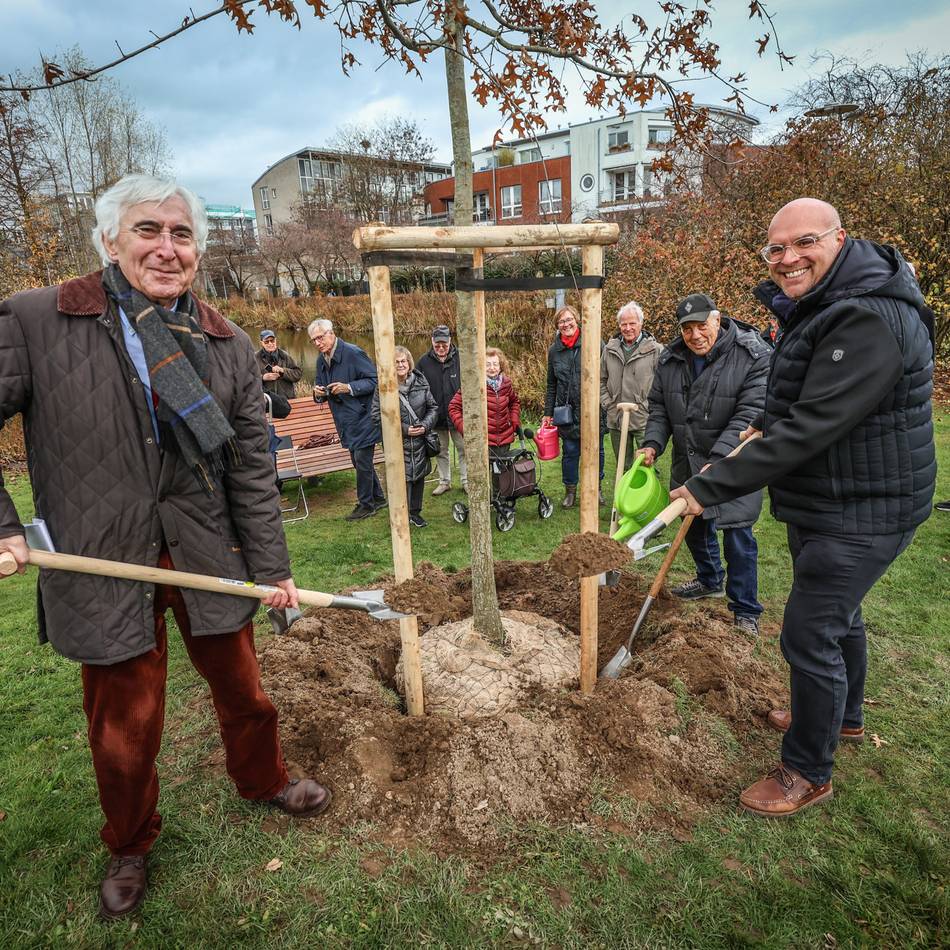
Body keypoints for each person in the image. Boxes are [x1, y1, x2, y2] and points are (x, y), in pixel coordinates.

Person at [0, 174, 330, 920]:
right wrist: (5, 525)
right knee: (124, 722)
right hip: (102, 551)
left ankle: (261, 779)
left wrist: (272, 570)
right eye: (148, 230)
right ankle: (130, 839)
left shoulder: (227, 343)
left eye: (182, 235)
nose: (166, 248)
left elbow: (251, 469)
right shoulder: (37, 321)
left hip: (206, 551)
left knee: (244, 688)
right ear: (110, 241)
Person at [670, 198, 935, 818]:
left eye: (804, 243)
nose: (788, 258)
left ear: (840, 238)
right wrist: (752, 432)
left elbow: (813, 424)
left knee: (809, 631)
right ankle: (842, 715)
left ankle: (807, 771)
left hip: (869, 503)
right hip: (834, 495)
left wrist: (709, 488)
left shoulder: (868, 318)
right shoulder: (823, 305)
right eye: (775, 249)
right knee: (840, 617)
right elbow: (796, 396)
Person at [639, 293, 770, 637]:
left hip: (734, 461)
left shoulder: (751, 355)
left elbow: (748, 414)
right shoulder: (670, 359)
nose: (695, 335)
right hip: (689, 458)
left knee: (737, 533)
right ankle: (710, 579)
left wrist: (718, 462)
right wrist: (652, 443)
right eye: (687, 329)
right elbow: (659, 408)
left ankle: (745, 609)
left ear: (717, 319)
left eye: (701, 326)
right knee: (694, 523)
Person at [310, 318, 385, 520]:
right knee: (358, 461)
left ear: (331, 333)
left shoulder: (353, 352)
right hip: (344, 420)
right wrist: (318, 393)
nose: (317, 343)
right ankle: (378, 497)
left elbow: (375, 380)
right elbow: (320, 386)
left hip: (364, 417)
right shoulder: (321, 360)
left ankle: (365, 505)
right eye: (314, 340)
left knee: (361, 460)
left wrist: (349, 388)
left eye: (320, 337)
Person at [542, 305, 606, 507]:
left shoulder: (593, 342)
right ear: (557, 326)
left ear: (577, 320)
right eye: (562, 321)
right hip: (566, 411)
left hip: (593, 407)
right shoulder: (554, 351)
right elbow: (551, 383)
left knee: (598, 451)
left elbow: (606, 374)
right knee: (570, 452)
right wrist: (548, 412)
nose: (566, 324)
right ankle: (570, 491)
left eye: (569, 319)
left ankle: (597, 490)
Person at [371, 347, 437, 528]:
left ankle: (415, 513)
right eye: (396, 362)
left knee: (419, 477)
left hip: (420, 441)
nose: (400, 365)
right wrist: (405, 429)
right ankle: (400, 516)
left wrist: (424, 425)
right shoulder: (383, 386)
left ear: (409, 363)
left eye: (403, 361)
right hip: (397, 442)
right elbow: (377, 416)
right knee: (401, 479)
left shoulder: (421, 382)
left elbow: (433, 408)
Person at [600, 300, 664, 474]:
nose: (628, 328)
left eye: (632, 323)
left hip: (644, 418)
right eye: (623, 324)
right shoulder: (609, 349)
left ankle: (648, 499)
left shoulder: (656, 350)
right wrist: (608, 403)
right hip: (616, 417)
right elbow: (600, 380)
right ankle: (625, 499)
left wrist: (649, 406)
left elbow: (663, 384)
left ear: (641, 324)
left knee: (645, 466)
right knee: (624, 466)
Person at [416, 324, 467, 495]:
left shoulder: (462, 357)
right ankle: (444, 481)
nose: (441, 348)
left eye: (444, 344)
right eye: (437, 345)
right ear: (432, 341)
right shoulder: (423, 362)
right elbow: (418, 389)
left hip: (459, 415)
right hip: (436, 417)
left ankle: (466, 481)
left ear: (450, 341)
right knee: (440, 450)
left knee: (464, 449)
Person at [448, 347, 521, 461]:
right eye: (488, 364)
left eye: (495, 364)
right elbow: (454, 407)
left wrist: (514, 420)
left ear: (500, 365)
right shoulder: (473, 384)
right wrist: (465, 429)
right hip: (482, 441)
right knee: (483, 476)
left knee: (503, 476)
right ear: (481, 365)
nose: (492, 368)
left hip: (504, 439)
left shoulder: (506, 383)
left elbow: (514, 403)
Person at [257, 328, 302, 403]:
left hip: (286, 400)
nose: (270, 344)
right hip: (266, 401)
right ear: (261, 343)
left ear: (276, 340)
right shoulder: (255, 358)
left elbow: (297, 374)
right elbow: (247, 379)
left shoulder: (285, 356)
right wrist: (263, 378)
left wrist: (283, 371)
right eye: (266, 342)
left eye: (272, 341)